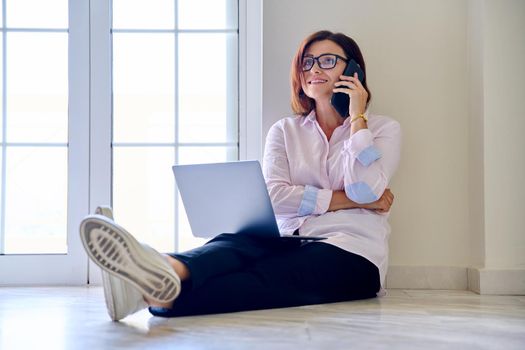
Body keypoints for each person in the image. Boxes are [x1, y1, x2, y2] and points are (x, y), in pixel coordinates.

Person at [79, 30, 401, 321]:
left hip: (353, 254)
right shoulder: (284, 131)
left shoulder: (383, 129)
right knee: (236, 243)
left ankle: (143, 287)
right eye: (307, 63)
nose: (314, 69)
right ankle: (162, 270)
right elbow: (275, 196)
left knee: (263, 276)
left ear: (352, 71)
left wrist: (357, 117)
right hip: (292, 240)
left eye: (327, 61)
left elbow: (365, 188)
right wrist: (345, 200)